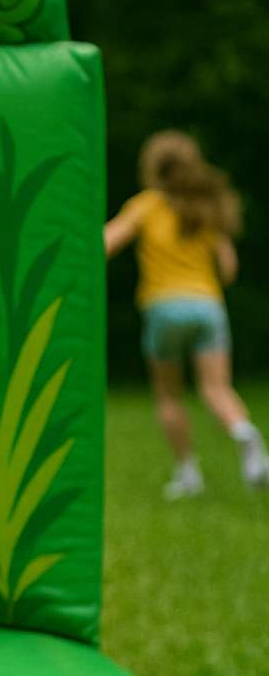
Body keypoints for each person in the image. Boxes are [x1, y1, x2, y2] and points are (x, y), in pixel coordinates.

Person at [105, 129, 267, 499]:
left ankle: (187, 474)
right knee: (217, 388)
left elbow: (107, 243)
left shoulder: (146, 205)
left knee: (169, 396)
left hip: (164, 307)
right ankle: (244, 433)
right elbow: (228, 268)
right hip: (207, 306)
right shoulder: (203, 211)